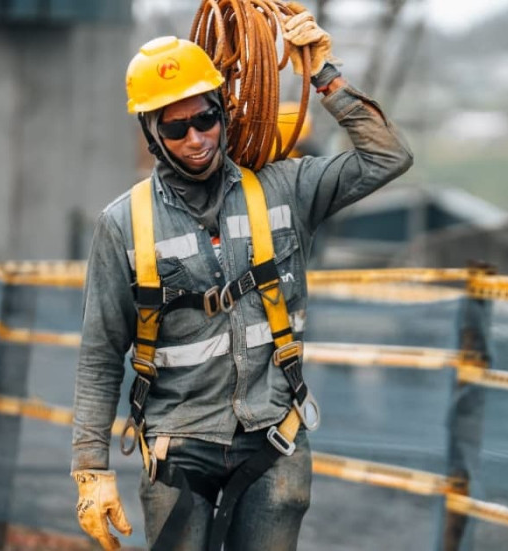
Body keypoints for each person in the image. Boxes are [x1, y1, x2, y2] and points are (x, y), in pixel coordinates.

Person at [69, 8, 412, 551]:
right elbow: (100, 352)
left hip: (274, 439)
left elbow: (388, 156)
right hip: (178, 449)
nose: (196, 138)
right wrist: (91, 469)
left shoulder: (285, 188)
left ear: (222, 112)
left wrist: (325, 73)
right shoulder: (123, 224)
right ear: (152, 134)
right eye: (176, 128)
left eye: (204, 119)